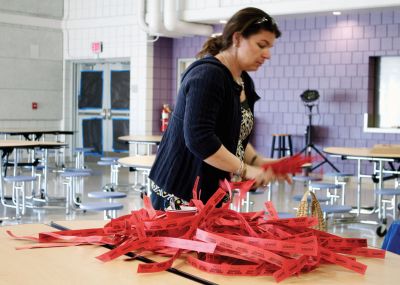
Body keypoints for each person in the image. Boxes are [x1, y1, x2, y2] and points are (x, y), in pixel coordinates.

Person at [149, 7, 290, 210]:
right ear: (238, 39)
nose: (267, 54)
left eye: (269, 47)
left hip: (212, 192)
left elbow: (234, 134)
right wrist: (245, 170)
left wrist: (260, 162)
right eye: (261, 45)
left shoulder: (244, 81)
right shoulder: (208, 76)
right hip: (181, 192)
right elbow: (200, 139)